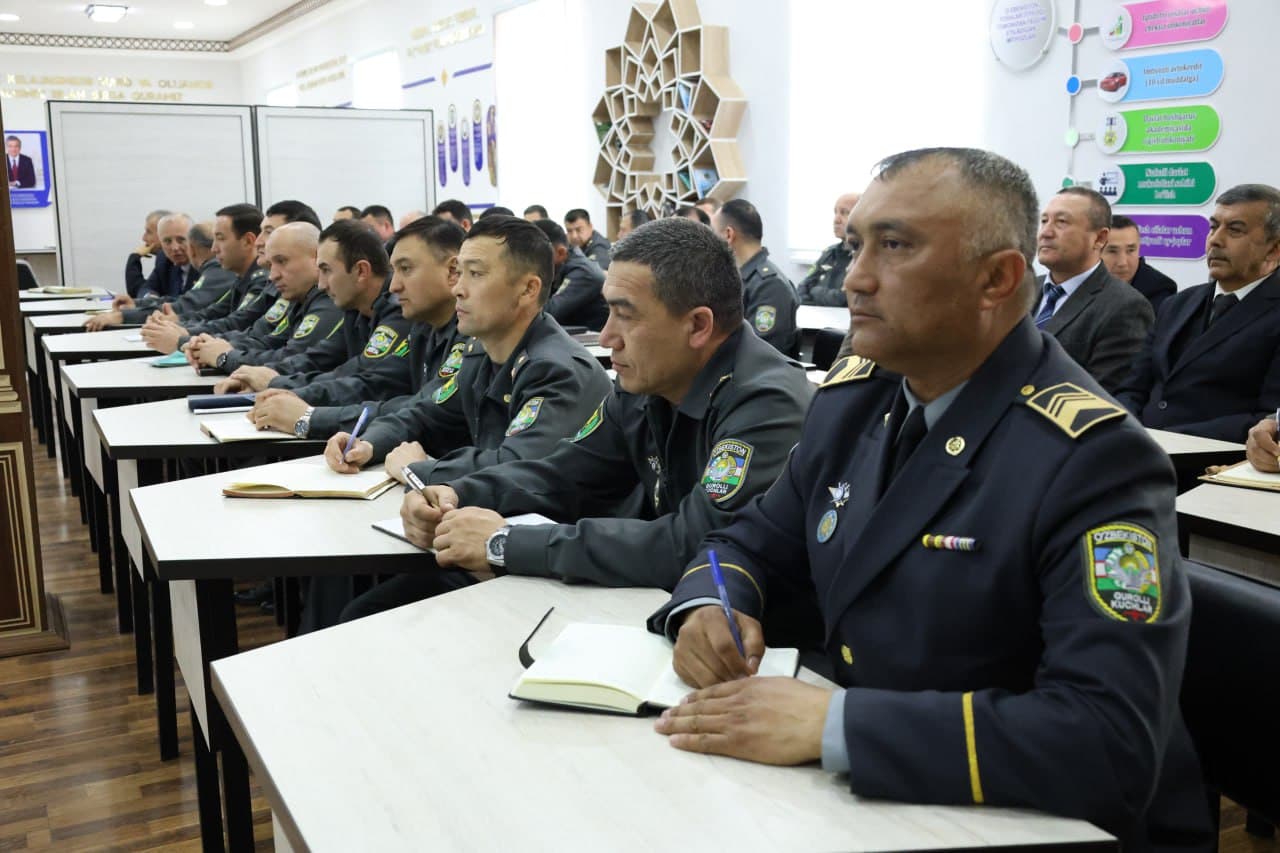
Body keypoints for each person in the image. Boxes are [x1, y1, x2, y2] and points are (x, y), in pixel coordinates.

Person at [647, 147, 1210, 852]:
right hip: (888, 805)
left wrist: (835, 725)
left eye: (894, 246)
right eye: (857, 245)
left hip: (1042, 824)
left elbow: (1108, 740)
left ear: (997, 279)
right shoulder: (856, 400)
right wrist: (712, 606)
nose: (855, 277)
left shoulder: (1095, 459)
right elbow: (750, 539)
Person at [357, 217, 812, 618]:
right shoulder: (647, 383)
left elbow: (695, 543)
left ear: (698, 326)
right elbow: (562, 473)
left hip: (743, 639)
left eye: (624, 315)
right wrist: (453, 493)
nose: (608, 337)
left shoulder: (765, 400)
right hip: (645, 602)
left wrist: (506, 543)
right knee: (378, 611)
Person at [306, 215, 612, 629]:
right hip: (479, 533)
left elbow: (518, 465)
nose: (458, 288)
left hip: (541, 565)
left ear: (528, 289)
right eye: (459, 273)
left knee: (366, 614)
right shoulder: (481, 352)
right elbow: (427, 411)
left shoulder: (556, 368)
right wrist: (370, 444)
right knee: (346, 585)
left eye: (476, 274)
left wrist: (418, 470)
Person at [281, 215, 469, 442]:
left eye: (406, 269)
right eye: (395, 270)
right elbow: (378, 382)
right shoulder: (422, 328)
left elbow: (423, 407)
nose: (394, 286)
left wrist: (312, 416)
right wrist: (290, 395)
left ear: (452, 271)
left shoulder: (472, 335)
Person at [1116, 184, 1280, 441]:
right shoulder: (1177, 303)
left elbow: (1269, 419)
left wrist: (1165, 440)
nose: (1215, 239)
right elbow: (1132, 388)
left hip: (1214, 465)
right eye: (1214, 227)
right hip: (1137, 454)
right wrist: (1125, 432)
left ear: (1274, 249)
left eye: (1235, 230)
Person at [222, 219, 415, 436]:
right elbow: (318, 358)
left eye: (326, 270)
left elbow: (367, 381)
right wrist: (276, 385)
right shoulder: (355, 309)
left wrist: (280, 386)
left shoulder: (400, 312)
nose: (321, 284)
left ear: (361, 271)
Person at [139, 200, 319, 354]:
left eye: (269, 232)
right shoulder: (269, 282)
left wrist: (186, 340)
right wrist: (185, 332)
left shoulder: (302, 291)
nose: (260, 241)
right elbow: (248, 330)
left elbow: (282, 352)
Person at [1033, 187, 1153, 394]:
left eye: (1061, 222)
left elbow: (1097, 398)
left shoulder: (1126, 307)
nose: (1046, 232)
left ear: (1099, 238)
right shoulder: (1022, 289)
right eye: (1044, 221)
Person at [186, 222, 344, 375]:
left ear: (317, 257)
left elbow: (292, 359)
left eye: (282, 261)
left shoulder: (329, 300)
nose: (273, 275)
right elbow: (267, 341)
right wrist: (211, 346)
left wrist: (225, 357)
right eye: (271, 264)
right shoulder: (302, 298)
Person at [86, 220, 236, 330]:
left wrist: (122, 316)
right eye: (167, 241)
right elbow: (173, 299)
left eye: (181, 240)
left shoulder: (218, 270)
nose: (175, 247)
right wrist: (138, 304)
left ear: (191, 246)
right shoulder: (165, 262)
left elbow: (185, 307)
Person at [712, 198, 798, 356]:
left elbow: (760, 351)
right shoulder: (736, 278)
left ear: (728, 235)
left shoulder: (770, 286)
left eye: (713, 233)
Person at [532, 219, 607, 331]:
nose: (530, 261)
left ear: (561, 252)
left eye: (535, 255)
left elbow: (548, 312)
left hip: (594, 342)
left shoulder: (584, 273)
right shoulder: (558, 264)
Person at [1103, 214, 1179, 312]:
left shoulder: (1159, 289)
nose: (1122, 263)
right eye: (1112, 251)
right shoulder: (1083, 280)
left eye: (1130, 250)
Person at [797, 191, 859, 306]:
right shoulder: (830, 253)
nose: (836, 220)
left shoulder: (862, 255)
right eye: (835, 212)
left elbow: (843, 300)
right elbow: (803, 288)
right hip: (817, 319)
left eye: (844, 213)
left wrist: (816, 291)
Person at [124, 209, 173, 299]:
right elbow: (142, 289)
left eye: (149, 232)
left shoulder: (182, 261)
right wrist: (134, 258)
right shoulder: (162, 259)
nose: (143, 238)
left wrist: (134, 257)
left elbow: (136, 291)